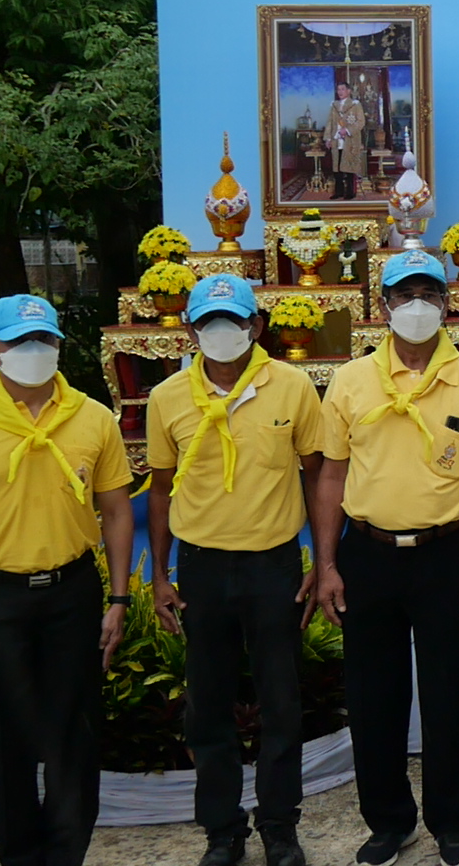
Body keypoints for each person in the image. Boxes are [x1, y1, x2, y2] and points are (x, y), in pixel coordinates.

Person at [311, 250, 459, 866]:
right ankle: (388, 821)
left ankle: (452, 821)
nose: (417, 306)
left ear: (447, 304)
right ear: (384, 306)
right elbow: (330, 476)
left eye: (429, 293)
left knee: (449, 693)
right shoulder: (351, 380)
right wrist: (326, 564)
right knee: (374, 696)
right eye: (405, 295)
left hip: (444, 554)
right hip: (367, 554)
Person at [0, 294, 135, 866]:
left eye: (44, 340)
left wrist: (118, 598)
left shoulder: (93, 417)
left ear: (59, 345)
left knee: (73, 736)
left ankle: (66, 855)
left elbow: (116, 512)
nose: (33, 351)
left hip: (71, 591)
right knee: (2, 740)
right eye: (18, 341)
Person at [146, 274, 323, 866]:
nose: (221, 332)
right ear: (191, 330)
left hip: (273, 564)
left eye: (233, 321)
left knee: (281, 702)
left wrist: (321, 560)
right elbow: (161, 489)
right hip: (201, 568)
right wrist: (161, 576)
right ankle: (222, 832)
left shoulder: (292, 386)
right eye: (208, 323)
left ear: (256, 326)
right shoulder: (168, 396)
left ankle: (279, 826)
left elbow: (316, 472)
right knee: (208, 705)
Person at [327, 81, 367, 200]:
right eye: (338, 89)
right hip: (336, 140)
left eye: (343, 89)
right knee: (337, 167)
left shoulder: (355, 105)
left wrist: (348, 130)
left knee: (350, 167)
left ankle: (350, 192)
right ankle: (338, 191)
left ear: (349, 91)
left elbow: (361, 122)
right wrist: (328, 138)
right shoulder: (334, 105)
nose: (340, 92)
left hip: (350, 141)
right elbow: (330, 123)